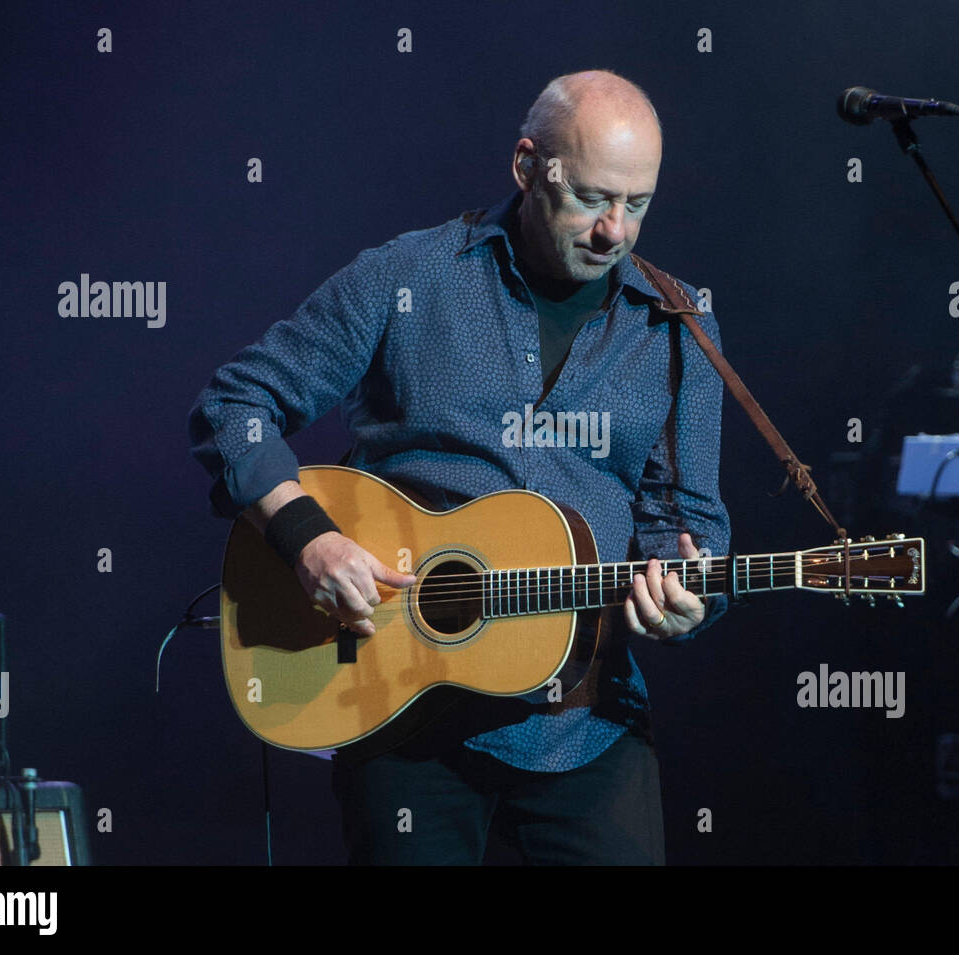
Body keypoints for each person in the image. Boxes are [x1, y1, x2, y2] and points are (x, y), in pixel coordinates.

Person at [188, 68, 731, 864]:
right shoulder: (407, 278)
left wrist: (689, 600)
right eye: (590, 197)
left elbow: (690, 528)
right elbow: (234, 405)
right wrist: (307, 535)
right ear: (526, 166)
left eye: (637, 205)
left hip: (587, 723)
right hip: (401, 711)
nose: (614, 230)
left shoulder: (681, 325)